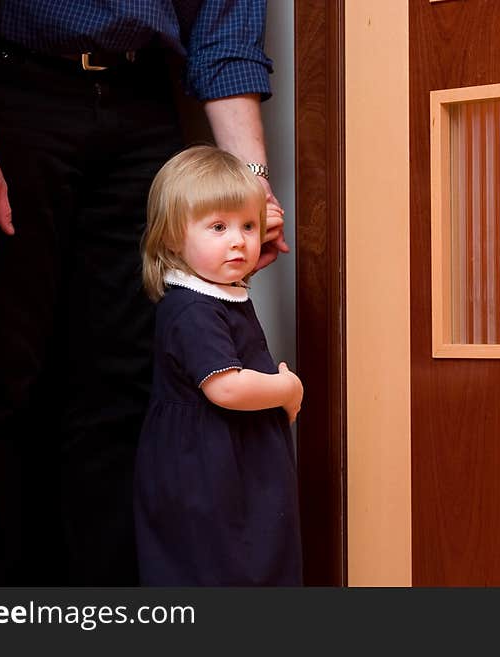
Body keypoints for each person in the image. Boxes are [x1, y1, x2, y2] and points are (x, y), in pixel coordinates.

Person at [0, 1, 287, 585]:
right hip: (10, 87)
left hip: (142, 101)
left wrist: (246, 189)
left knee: (126, 387)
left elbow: (225, 31)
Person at [135, 146, 303, 585]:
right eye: (218, 227)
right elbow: (225, 387)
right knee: (219, 565)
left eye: (248, 226)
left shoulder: (217, 291)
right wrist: (288, 389)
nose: (238, 240)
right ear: (172, 237)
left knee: (254, 557)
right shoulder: (194, 309)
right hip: (209, 467)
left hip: (234, 457)